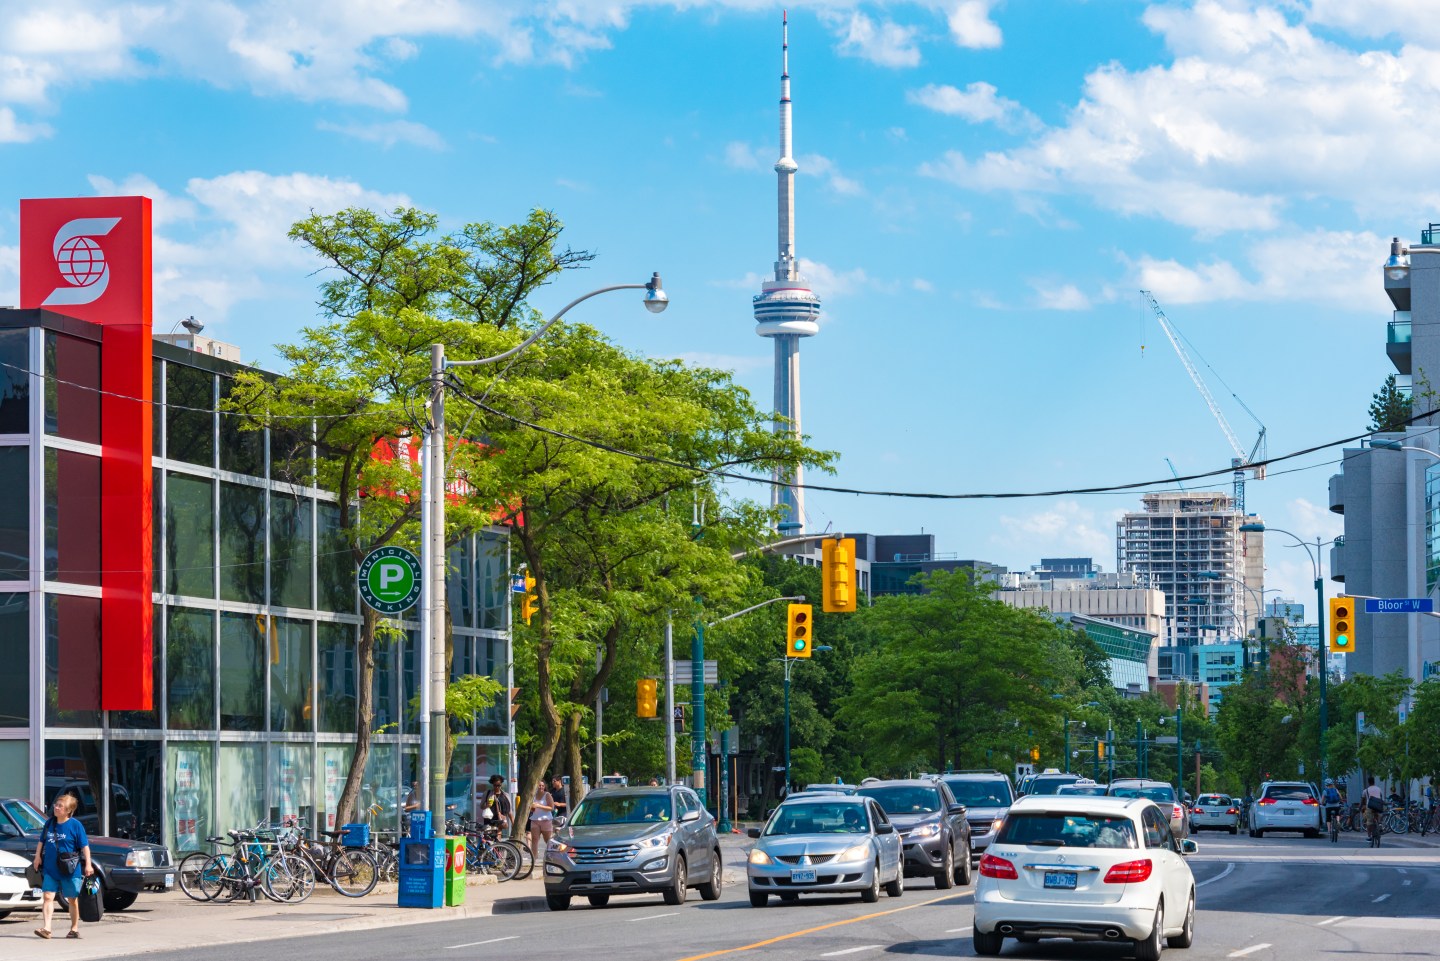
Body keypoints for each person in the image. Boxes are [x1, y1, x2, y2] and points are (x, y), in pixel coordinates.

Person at [31, 793, 93, 940]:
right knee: (47, 896)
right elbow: (42, 841)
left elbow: (85, 846)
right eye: (56, 805)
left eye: (60, 806)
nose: (56, 807)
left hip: (69, 869)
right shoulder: (50, 823)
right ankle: (47, 929)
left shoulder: (75, 825)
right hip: (50, 868)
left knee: (72, 899)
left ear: (68, 811)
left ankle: (74, 928)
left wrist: (88, 865)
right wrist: (37, 856)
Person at [528, 779, 556, 861]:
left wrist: (539, 806)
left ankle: (551, 857)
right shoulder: (533, 795)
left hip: (546, 820)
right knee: (534, 839)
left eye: (542, 786)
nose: (541, 787)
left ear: (545, 787)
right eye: (539, 785)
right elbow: (531, 808)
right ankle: (534, 858)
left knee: (547, 840)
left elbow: (551, 807)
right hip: (535, 819)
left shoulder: (547, 795)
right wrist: (532, 808)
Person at [1361, 776, 1384, 844]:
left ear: (1368, 782)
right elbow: (1381, 797)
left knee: (1369, 821)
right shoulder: (1379, 789)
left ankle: (1369, 836)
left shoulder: (1366, 790)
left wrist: (1360, 807)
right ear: (1374, 781)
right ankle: (1379, 825)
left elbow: (1362, 800)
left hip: (1370, 807)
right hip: (1378, 806)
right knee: (1379, 816)